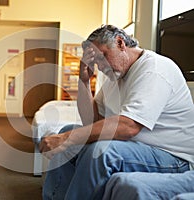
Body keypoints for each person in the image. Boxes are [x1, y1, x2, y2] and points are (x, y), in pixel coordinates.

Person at [39, 25, 194, 199]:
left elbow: (128, 127)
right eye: (96, 61)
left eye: (103, 56)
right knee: (67, 128)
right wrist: (83, 81)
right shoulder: (115, 77)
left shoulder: (154, 69)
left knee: (101, 152)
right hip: (135, 148)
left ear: (120, 43)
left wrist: (65, 139)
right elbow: (92, 122)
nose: (101, 66)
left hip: (171, 157)